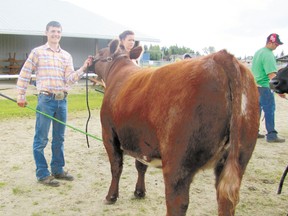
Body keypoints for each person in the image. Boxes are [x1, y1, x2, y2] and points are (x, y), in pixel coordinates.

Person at [16, 21, 92, 187]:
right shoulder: (37, 52)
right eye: (52, 31)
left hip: (62, 101)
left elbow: (69, 79)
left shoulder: (66, 56)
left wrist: (83, 68)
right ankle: (42, 173)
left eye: (58, 31)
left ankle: (57, 169)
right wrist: (21, 95)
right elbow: (25, 73)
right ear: (46, 32)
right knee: (41, 138)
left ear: (61, 34)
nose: (55, 34)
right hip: (45, 100)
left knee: (59, 138)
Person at [251, 33, 285, 143]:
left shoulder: (258, 52)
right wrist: (280, 89)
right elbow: (271, 75)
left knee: (257, 110)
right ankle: (271, 135)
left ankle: (254, 132)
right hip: (265, 87)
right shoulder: (268, 54)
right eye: (276, 44)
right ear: (269, 42)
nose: (277, 46)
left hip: (256, 86)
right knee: (269, 109)